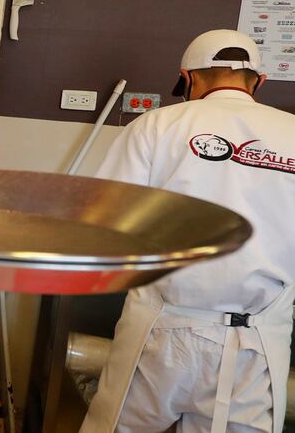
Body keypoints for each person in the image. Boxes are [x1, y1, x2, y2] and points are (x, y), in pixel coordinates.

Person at [81, 29, 295, 433]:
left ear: (188, 78)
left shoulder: (157, 124)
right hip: (256, 344)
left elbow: (104, 223)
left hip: (161, 329)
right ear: (260, 82)